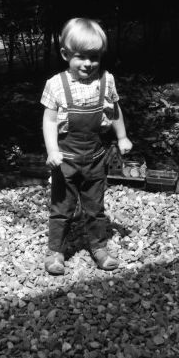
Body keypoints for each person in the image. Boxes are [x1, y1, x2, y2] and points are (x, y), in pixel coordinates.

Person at [40, 18, 133, 275]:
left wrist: (122, 136)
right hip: (65, 160)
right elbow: (49, 121)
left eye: (94, 57)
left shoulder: (106, 80)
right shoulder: (56, 84)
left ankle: (99, 247)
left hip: (95, 158)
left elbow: (114, 110)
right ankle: (56, 251)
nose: (88, 63)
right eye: (81, 57)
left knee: (95, 208)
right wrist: (52, 150)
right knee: (62, 208)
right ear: (65, 54)